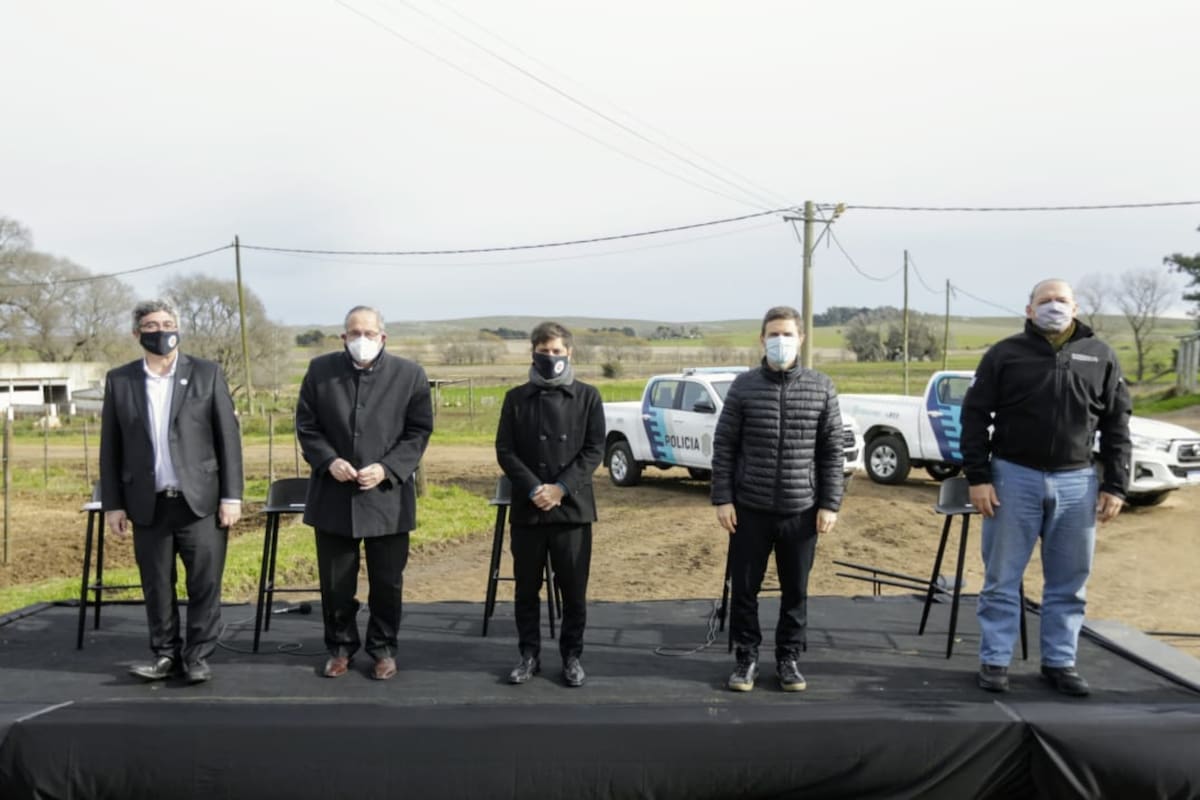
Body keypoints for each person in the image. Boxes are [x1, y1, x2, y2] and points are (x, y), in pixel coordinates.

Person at [962, 279, 1130, 697]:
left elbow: (1117, 425)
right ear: (1029, 309)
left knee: (1069, 581)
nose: (1053, 306)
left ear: (1076, 308)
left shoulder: (1101, 355)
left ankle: (1059, 662)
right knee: (1001, 577)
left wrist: (1116, 484)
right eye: (1045, 300)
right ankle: (995, 660)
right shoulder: (1004, 354)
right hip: (1012, 477)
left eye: (1061, 300)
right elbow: (974, 416)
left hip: (1077, 482)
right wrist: (978, 477)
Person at [100, 299, 243, 684]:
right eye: (151, 325)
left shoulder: (207, 374)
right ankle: (165, 654)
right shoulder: (120, 381)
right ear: (137, 334)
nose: (160, 330)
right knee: (157, 585)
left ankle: (197, 657)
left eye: (167, 323)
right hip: (148, 503)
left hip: (200, 502)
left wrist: (232, 497)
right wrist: (113, 505)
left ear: (178, 328)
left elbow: (228, 440)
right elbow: (110, 447)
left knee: (204, 583)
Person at [711, 305, 845, 692]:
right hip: (749, 509)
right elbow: (724, 445)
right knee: (745, 589)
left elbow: (832, 451)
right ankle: (746, 658)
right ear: (762, 339)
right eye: (774, 334)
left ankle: (788, 658)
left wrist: (830, 504)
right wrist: (723, 498)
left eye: (787, 334)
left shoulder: (821, 386)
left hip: (801, 511)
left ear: (801, 338)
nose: (780, 341)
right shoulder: (743, 386)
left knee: (795, 591)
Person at [296, 305, 433, 681]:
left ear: (383, 337)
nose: (362, 340)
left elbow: (419, 431)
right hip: (333, 496)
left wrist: (387, 468)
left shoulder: (409, 375)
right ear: (343, 337)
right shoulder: (320, 371)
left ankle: (383, 649)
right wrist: (328, 461)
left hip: (387, 498)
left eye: (369, 333)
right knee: (336, 583)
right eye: (354, 333)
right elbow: (306, 426)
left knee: (387, 582)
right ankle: (340, 648)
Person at [496, 322, 605, 687]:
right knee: (526, 589)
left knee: (573, 590)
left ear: (569, 353)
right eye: (544, 351)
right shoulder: (515, 398)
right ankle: (528, 656)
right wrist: (533, 488)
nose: (550, 357)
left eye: (557, 351)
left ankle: (572, 657)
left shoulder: (588, 397)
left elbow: (594, 451)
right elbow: (505, 450)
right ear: (533, 353)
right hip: (528, 510)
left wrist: (560, 488)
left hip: (571, 509)